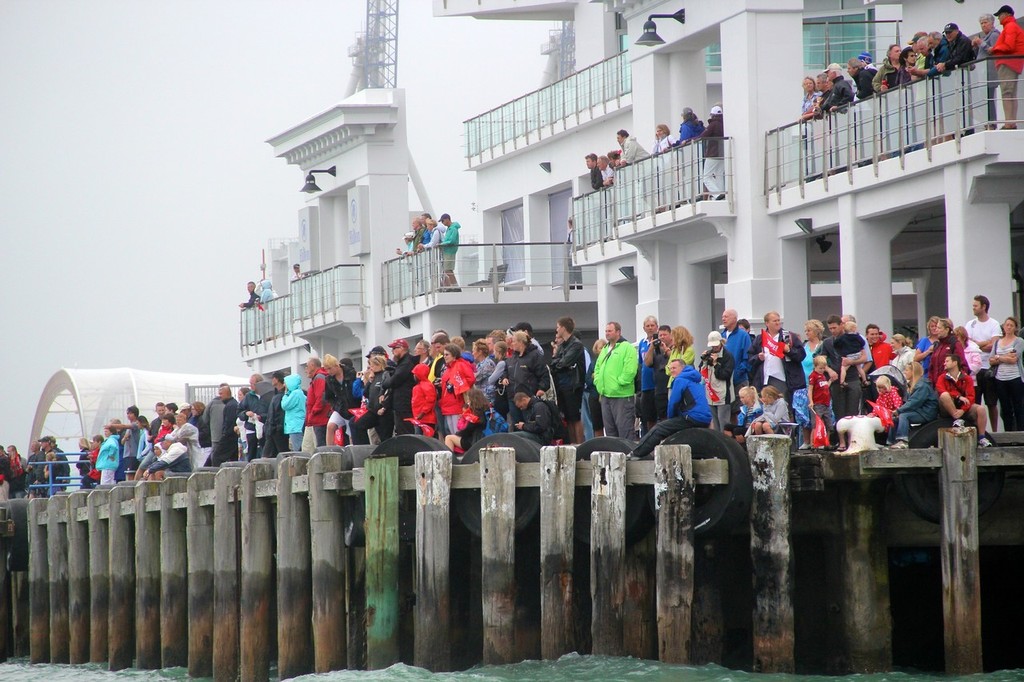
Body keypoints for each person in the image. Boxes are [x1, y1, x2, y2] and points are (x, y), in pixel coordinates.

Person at [628, 359, 712, 460]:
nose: (672, 371)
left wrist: (670, 419)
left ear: (682, 368)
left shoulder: (680, 380)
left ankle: (636, 453)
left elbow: (673, 403)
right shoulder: (695, 379)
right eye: (670, 368)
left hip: (692, 417)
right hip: (705, 418)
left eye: (674, 368)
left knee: (659, 429)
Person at [749, 311, 807, 403]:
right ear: (767, 323)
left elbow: (801, 355)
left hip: (782, 379)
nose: (777, 323)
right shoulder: (760, 338)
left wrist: (788, 350)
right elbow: (750, 357)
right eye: (774, 321)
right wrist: (758, 358)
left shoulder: (788, 336)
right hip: (764, 379)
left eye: (778, 320)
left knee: (781, 407)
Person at [593, 321, 639, 439]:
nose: (607, 334)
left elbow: (630, 370)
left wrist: (619, 383)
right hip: (605, 395)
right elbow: (597, 367)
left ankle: (628, 455)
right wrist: (598, 383)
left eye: (610, 331)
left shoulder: (627, 348)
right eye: (606, 331)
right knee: (610, 432)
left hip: (622, 395)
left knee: (625, 430)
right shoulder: (605, 349)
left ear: (618, 332)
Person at [935, 354, 992, 446]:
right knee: (944, 395)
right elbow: (940, 390)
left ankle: (982, 437)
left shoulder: (967, 378)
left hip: (963, 408)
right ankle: (957, 418)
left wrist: (963, 410)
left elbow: (971, 397)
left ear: (955, 363)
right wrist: (958, 396)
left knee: (981, 409)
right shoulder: (942, 377)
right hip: (947, 407)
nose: (944, 363)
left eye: (947, 361)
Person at [967, 295, 1002, 432]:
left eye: (976, 305)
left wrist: (977, 344)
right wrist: (984, 343)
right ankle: (978, 430)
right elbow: (968, 344)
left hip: (989, 368)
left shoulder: (994, 324)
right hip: (975, 370)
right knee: (975, 403)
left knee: (991, 403)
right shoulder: (970, 324)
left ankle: (994, 431)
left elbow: (993, 345)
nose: (973, 308)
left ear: (984, 307)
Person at [501, 330, 549, 427]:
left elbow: (544, 374)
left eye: (514, 341)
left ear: (521, 342)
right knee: (515, 424)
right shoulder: (513, 357)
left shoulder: (534, 355)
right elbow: (506, 369)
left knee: (528, 423)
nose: (512, 343)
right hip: (513, 397)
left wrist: (541, 388)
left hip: (528, 397)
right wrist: (504, 377)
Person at [549, 317, 585, 444]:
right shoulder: (563, 345)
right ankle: (572, 444)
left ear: (564, 328)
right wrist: (558, 363)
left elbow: (564, 362)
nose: (556, 330)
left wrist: (559, 363)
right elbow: (554, 362)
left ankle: (579, 444)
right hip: (562, 385)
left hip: (573, 385)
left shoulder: (576, 344)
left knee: (575, 417)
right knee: (567, 418)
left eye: (558, 327)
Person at [988, 5, 1024, 129]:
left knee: (1007, 93)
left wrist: (994, 49)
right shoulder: (1012, 27)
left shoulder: (1010, 27)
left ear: (1007, 14)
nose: (998, 18)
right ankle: (1011, 121)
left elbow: (1009, 46)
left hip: (1008, 63)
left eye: (1000, 15)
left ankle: (1009, 122)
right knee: (1011, 93)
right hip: (1013, 63)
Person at [889, 362, 938, 448]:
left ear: (913, 372)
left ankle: (902, 441)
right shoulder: (912, 385)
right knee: (895, 418)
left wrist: (898, 410)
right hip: (918, 411)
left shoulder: (922, 386)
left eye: (907, 370)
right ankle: (891, 442)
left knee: (904, 416)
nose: (904, 372)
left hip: (926, 412)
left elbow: (913, 402)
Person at [990, 316, 1024, 431]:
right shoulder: (997, 342)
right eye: (1007, 325)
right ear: (1003, 327)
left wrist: (998, 357)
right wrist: (1005, 357)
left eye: (1011, 325)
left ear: (1015, 328)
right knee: (1005, 408)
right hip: (1000, 378)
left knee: (1018, 407)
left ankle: (1020, 433)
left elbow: (1014, 359)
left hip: (1015, 377)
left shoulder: (1019, 341)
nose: (1008, 327)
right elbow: (991, 359)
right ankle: (1008, 433)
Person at [700, 331, 735, 432]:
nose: (714, 348)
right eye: (712, 346)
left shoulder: (728, 356)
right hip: (710, 395)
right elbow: (701, 372)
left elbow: (724, 375)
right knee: (715, 424)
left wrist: (716, 364)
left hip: (723, 396)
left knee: (723, 423)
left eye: (716, 345)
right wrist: (704, 361)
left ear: (721, 342)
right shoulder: (709, 354)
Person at [440, 343, 476, 436]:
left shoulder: (460, 365)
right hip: (448, 404)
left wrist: (459, 387)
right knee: (453, 433)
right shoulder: (449, 368)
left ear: (454, 355)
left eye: (447, 354)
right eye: (444, 354)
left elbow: (471, 379)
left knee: (458, 432)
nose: (444, 357)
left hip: (457, 404)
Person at [972, 13, 1002, 124]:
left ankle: (992, 122)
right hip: (983, 73)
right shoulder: (985, 36)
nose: (983, 25)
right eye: (981, 23)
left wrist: (981, 43)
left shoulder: (994, 35)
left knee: (989, 99)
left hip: (990, 73)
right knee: (984, 98)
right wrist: (975, 46)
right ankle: (988, 121)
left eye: (985, 23)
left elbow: (994, 50)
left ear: (992, 23)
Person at [803, 355, 834, 449]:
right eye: (820, 368)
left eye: (823, 368)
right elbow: (810, 390)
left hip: (826, 403)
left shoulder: (823, 376)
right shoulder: (813, 376)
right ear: (815, 366)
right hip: (817, 403)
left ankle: (826, 443)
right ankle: (813, 443)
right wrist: (811, 401)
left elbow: (825, 387)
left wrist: (830, 381)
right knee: (815, 424)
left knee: (828, 424)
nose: (822, 370)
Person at [444, 388, 489, 453]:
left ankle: (450, 460)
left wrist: (458, 434)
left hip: (474, 441)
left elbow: (468, 430)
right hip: (484, 438)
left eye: (469, 399)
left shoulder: (475, 413)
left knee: (449, 438)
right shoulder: (486, 409)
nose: (468, 401)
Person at [637, 315, 660, 432]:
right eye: (648, 326)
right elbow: (641, 364)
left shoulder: (660, 342)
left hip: (657, 383)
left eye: (652, 325)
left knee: (659, 415)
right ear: (644, 328)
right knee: (647, 416)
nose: (650, 328)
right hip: (646, 385)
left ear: (657, 327)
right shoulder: (642, 343)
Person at [721, 308, 752, 393]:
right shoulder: (721, 335)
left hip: (739, 381)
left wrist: (737, 373)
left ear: (734, 319)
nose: (723, 319)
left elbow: (748, 357)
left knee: (739, 405)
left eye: (726, 317)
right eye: (723, 317)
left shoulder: (743, 336)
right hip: (724, 381)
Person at [698, 105, 726, 199]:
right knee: (719, 175)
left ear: (712, 115)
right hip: (723, 154)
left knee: (706, 177)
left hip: (713, 153)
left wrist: (689, 140)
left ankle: (717, 194)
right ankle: (722, 194)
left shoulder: (713, 124)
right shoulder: (725, 123)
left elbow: (703, 136)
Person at [304, 357, 331, 448]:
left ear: (312, 366)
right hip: (318, 418)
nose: (305, 370)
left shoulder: (319, 378)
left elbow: (321, 397)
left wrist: (313, 412)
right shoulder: (318, 378)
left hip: (320, 418)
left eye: (307, 366)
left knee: (321, 445)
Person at [261, 371, 288, 459]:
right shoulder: (277, 394)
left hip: (276, 429)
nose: (272, 380)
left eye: (273, 378)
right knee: (268, 454)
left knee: (282, 452)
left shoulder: (281, 395)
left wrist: (275, 426)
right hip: (272, 429)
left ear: (277, 379)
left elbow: (279, 412)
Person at [584, 339, 606, 439]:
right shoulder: (593, 363)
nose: (601, 350)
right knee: (597, 424)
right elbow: (588, 380)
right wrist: (596, 379)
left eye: (603, 347)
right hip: (594, 396)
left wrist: (596, 376)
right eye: (600, 348)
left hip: (607, 395)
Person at [836, 320, 869, 386]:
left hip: (849, 355)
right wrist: (859, 347)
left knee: (843, 368)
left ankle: (842, 381)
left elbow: (836, 343)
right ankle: (864, 380)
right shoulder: (857, 336)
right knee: (859, 368)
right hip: (858, 354)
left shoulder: (844, 337)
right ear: (853, 329)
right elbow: (863, 342)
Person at [281, 374, 307, 452]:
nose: (284, 385)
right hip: (297, 425)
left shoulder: (295, 393)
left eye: (285, 383)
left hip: (295, 426)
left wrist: (285, 394)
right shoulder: (299, 392)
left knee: (297, 449)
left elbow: (284, 405)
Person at [410, 363, 437, 436]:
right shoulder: (419, 386)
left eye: (415, 374)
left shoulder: (426, 385)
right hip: (418, 418)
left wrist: (423, 412)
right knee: (418, 438)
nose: (413, 376)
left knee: (426, 439)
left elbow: (430, 400)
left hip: (426, 419)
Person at [439, 214, 461, 289]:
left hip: (450, 251)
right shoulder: (449, 229)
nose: (442, 222)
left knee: (448, 269)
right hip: (447, 250)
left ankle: (455, 286)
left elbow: (452, 240)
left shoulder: (453, 229)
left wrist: (442, 244)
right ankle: (454, 285)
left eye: (443, 220)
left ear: (447, 219)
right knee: (448, 269)